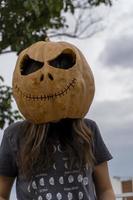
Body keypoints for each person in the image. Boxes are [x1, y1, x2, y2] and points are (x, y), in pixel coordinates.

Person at [0, 40, 115, 200]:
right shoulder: (15, 136)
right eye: (37, 68)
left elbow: (105, 189)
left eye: (59, 66)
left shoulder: (89, 129)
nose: (46, 74)